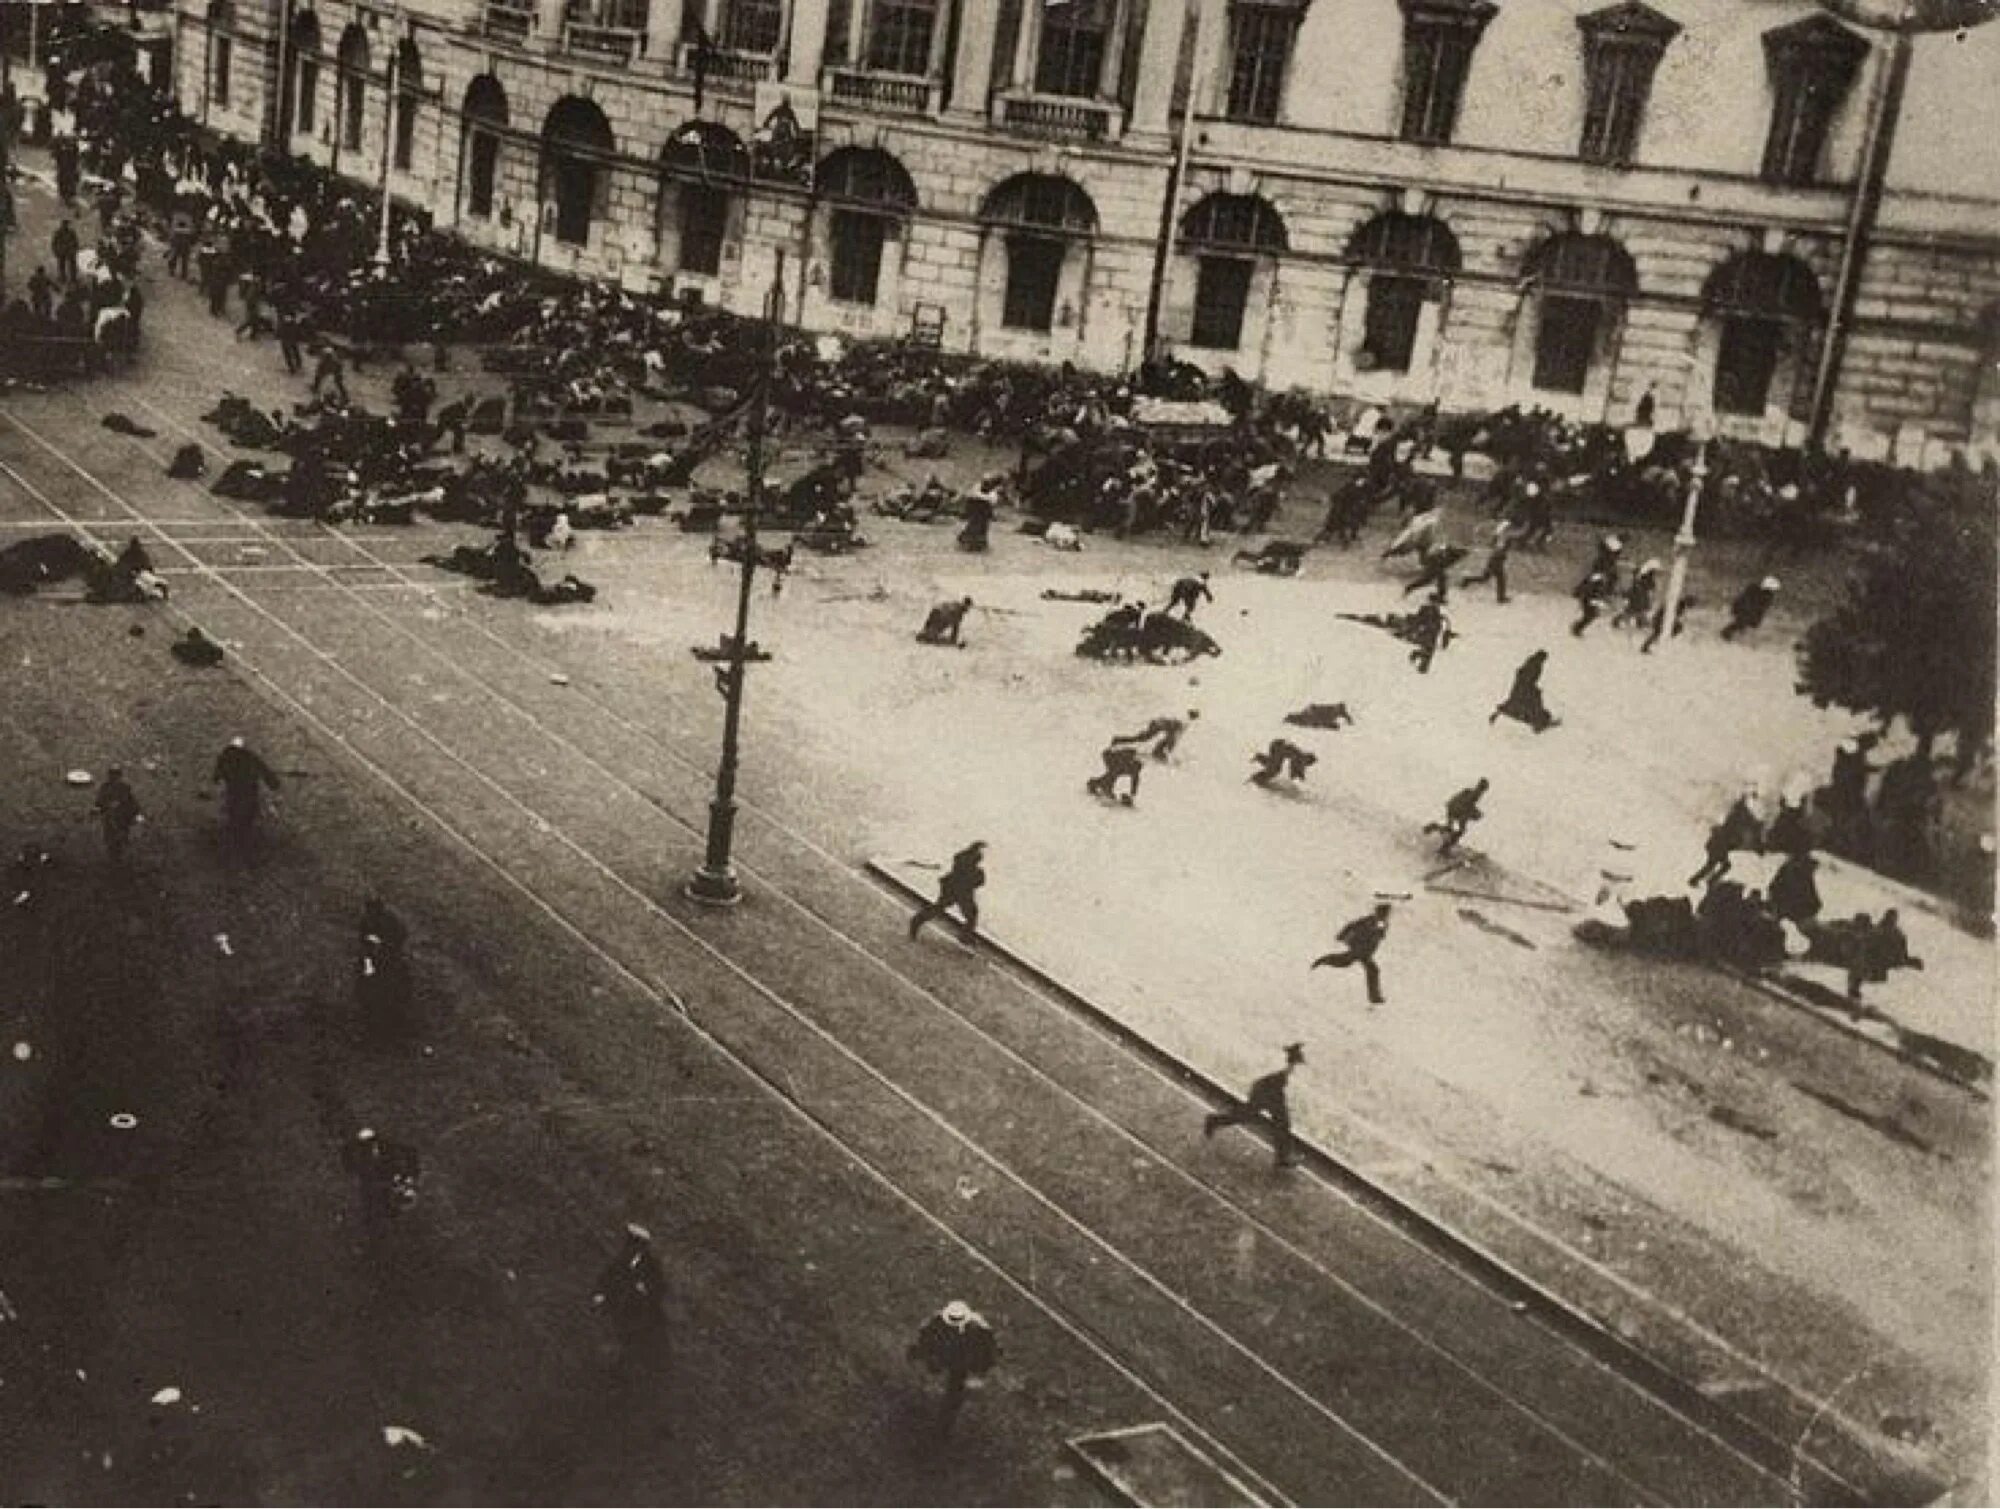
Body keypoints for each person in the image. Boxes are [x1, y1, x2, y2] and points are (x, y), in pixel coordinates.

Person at [1203, 1043, 1305, 1169]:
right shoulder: (1283, 1066)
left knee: (1274, 1120)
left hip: (1270, 1089)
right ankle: (1282, 1157)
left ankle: (1282, 1156)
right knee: (1273, 1120)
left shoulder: (1283, 1064)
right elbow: (1279, 1076)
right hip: (1267, 1090)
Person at [909, 1301, 999, 1440]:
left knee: (955, 1389)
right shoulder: (936, 1321)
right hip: (945, 1350)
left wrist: (981, 1368)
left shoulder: (979, 1327)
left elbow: (989, 1347)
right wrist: (924, 1353)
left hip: (962, 1357)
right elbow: (925, 1335)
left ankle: (945, 1423)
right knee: (936, 1368)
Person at [593, 1223, 667, 1353]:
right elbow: (607, 1278)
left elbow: (658, 1286)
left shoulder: (651, 1265)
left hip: (641, 1310)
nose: (631, 1247)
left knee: (638, 1342)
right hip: (620, 1307)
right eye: (630, 1243)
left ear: (642, 1247)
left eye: (635, 1244)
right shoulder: (621, 1261)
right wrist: (600, 1293)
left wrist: (645, 1288)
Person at [1311, 903, 1392, 1004]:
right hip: (1359, 947)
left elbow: (1379, 936)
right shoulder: (1368, 921)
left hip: (1366, 951)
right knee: (1353, 964)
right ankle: (1324, 960)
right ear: (1377, 912)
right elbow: (1352, 926)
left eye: (1386, 914)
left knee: (1354, 964)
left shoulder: (1382, 924)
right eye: (1382, 913)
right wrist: (1342, 936)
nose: (1384, 916)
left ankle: (1374, 997)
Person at [909, 841, 986, 943]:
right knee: (971, 914)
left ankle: (917, 921)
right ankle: (965, 936)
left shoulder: (960, 858)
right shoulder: (974, 870)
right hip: (962, 892)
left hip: (951, 887)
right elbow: (979, 882)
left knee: (939, 908)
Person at [211, 736, 280, 845]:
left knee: (234, 812)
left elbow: (217, 774)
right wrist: (274, 783)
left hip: (234, 791)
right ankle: (244, 837)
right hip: (249, 791)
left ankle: (235, 838)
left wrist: (217, 778)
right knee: (248, 814)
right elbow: (264, 770)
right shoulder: (250, 756)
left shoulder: (225, 757)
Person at [342, 1127, 421, 1222]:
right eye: (363, 1144)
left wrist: (406, 1176)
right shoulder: (362, 1156)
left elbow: (408, 1156)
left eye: (369, 1142)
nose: (367, 1146)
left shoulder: (389, 1149)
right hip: (375, 1187)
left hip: (392, 1183)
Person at [1846, 909, 1923, 1003]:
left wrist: (1907, 961)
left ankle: (1853, 993)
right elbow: (1902, 955)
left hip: (1875, 965)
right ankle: (1853, 993)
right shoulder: (1895, 934)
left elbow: (1867, 945)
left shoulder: (1887, 933)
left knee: (1859, 966)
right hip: (1877, 964)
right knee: (1859, 965)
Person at [1689, 793, 1762, 888]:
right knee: (1721, 865)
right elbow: (1750, 821)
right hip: (1719, 844)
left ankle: (1699, 880)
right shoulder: (1739, 814)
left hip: (1718, 843)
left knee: (1714, 865)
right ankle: (1706, 881)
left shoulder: (1736, 813)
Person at [1491, 651, 1559, 733]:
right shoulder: (1535, 665)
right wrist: (1533, 689)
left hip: (1523, 688)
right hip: (1524, 689)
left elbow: (1524, 676)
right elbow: (1527, 678)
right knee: (1529, 706)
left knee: (1520, 704)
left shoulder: (1534, 663)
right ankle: (1538, 724)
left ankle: (1538, 723)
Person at [1425, 777, 1490, 854]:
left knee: (1453, 830)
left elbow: (1466, 805)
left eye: (1483, 788)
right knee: (1455, 830)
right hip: (1456, 809)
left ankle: (1441, 838)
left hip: (1455, 809)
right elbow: (1466, 805)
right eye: (1482, 788)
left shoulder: (1473, 793)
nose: (1482, 790)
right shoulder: (1474, 794)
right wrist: (1475, 812)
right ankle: (1444, 846)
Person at [1458, 519, 1515, 603]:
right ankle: (1501, 598)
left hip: (1496, 559)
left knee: (1485, 578)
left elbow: (1496, 545)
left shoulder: (1503, 537)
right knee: (1500, 579)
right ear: (1505, 528)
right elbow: (1496, 547)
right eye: (1508, 528)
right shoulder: (1500, 536)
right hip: (1496, 560)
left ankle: (1467, 580)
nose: (1509, 529)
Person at [93, 766, 142, 860]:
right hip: (109, 818)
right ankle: (113, 855)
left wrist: (136, 814)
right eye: (112, 775)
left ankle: (120, 855)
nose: (113, 777)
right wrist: (99, 808)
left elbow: (131, 802)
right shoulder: (105, 787)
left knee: (121, 837)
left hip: (122, 818)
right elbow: (99, 802)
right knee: (110, 838)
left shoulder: (125, 788)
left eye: (115, 775)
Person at [1112, 709, 1197, 761]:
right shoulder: (1184, 723)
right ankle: (1118, 740)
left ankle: (1119, 740)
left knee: (1142, 738)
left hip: (1159, 723)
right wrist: (1169, 751)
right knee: (1142, 738)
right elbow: (1173, 737)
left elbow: (1172, 736)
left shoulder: (1183, 718)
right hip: (1158, 724)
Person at [1765, 849, 1822, 925]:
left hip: (1792, 905)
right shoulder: (1793, 870)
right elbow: (1774, 887)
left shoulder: (1794, 869)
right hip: (1791, 905)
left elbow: (1773, 887)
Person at [1720, 576, 1780, 641]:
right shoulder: (1753, 590)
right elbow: (1745, 602)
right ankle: (1726, 634)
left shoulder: (1767, 597)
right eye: (1771, 590)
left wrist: (1757, 619)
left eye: (1772, 590)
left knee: (1744, 623)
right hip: (1743, 609)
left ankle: (1733, 635)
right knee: (1741, 622)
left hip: (1749, 612)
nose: (1771, 592)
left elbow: (1761, 610)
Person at [1612, 559, 1662, 629]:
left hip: (1639, 595)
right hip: (1637, 595)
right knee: (1634, 610)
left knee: (1638, 610)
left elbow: (1648, 586)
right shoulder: (1643, 574)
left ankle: (1639, 622)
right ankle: (1621, 621)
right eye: (1655, 570)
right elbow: (1644, 584)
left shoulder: (1644, 574)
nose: (1656, 573)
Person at [1249, 738, 1316, 787]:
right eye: (1308, 763)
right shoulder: (1299, 757)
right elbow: (1294, 770)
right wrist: (1298, 777)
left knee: (1273, 767)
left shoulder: (1300, 757)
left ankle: (1259, 758)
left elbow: (1297, 769)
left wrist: (1300, 776)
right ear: (1307, 759)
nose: (1306, 765)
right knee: (1274, 769)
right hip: (1277, 747)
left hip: (1278, 746)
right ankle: (1256, 778)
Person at [52, 220, 80, 286]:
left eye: (66, 224)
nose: (65, 226)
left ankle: (73, 278)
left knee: (72, 265)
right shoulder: (58, 233)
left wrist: (75, 249)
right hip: (62, 251)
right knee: (62, 265)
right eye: (64, 224)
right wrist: (55, 251)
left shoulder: (71, 232)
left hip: (69, 251)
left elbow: (76, 241)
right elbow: (54, 243)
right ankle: (63, 278)